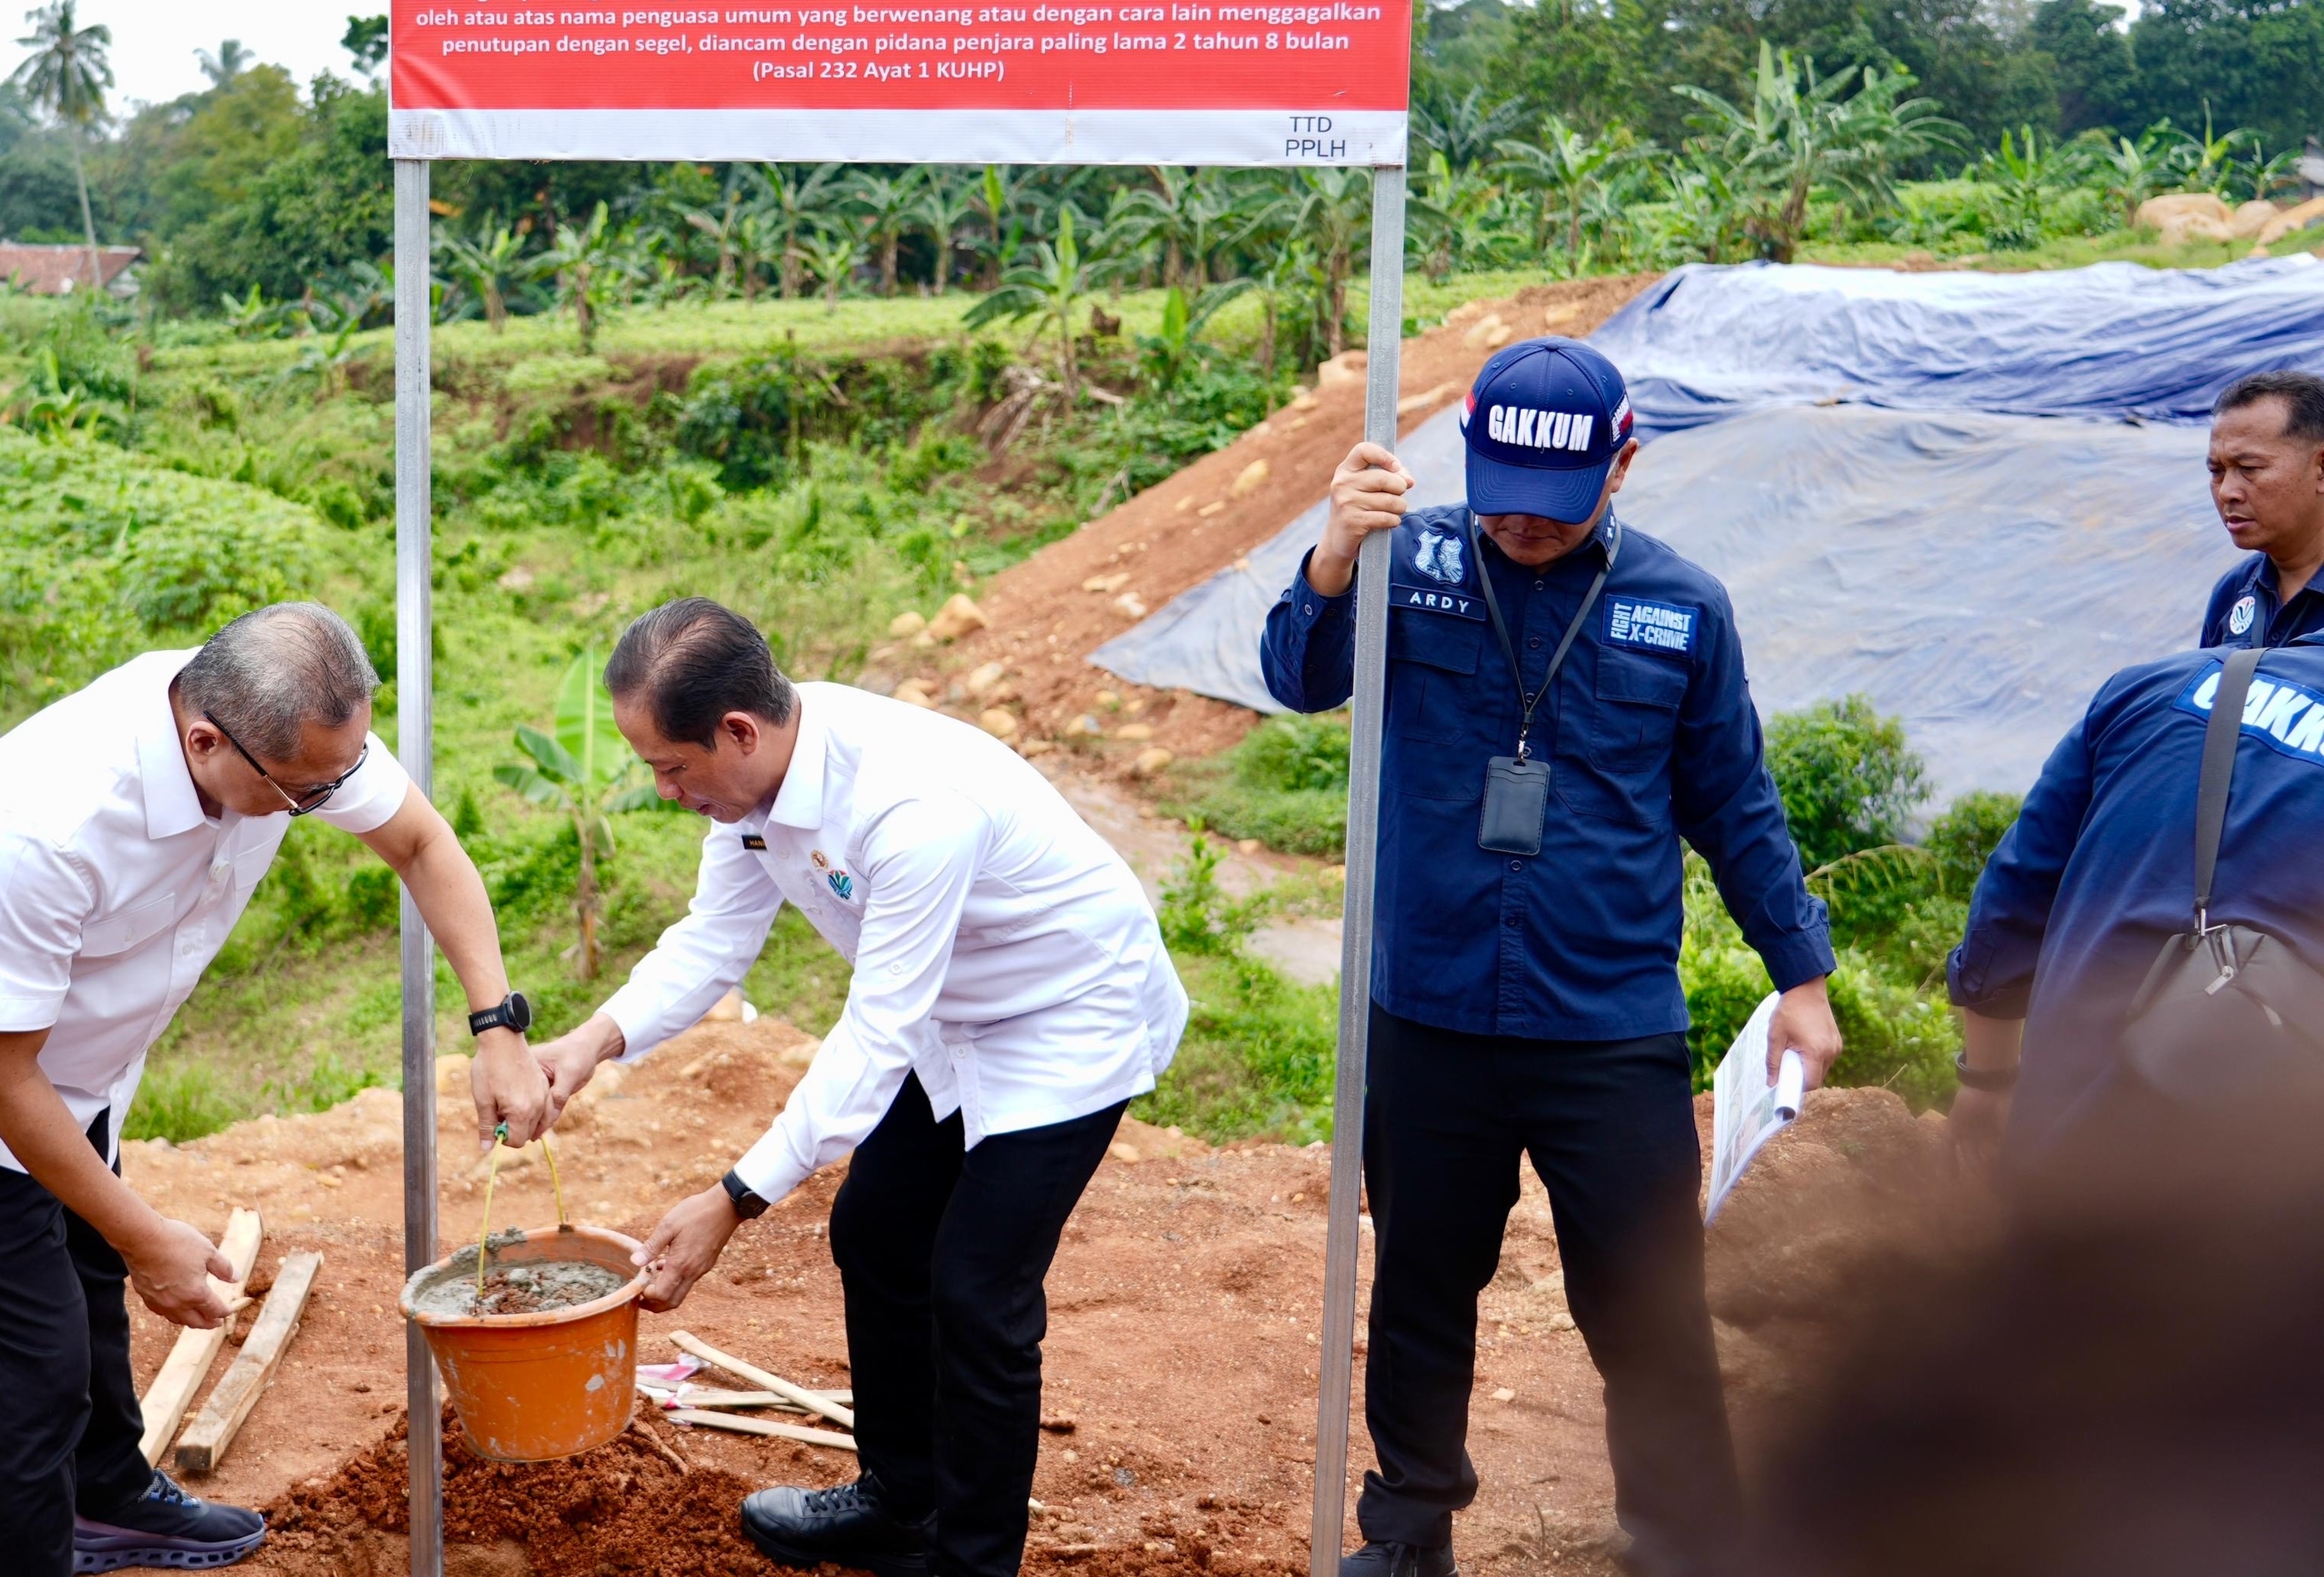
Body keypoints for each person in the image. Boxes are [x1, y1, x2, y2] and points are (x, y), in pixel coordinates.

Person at [1257, 338, 1841, 1577]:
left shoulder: (1682, 607)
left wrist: (1802, 974)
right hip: (1429, 1004)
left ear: (1622, 466)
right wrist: (1331, 556)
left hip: (1609, 1018)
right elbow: (1295, 678)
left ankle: (1682, 1534)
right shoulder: (1405, 562)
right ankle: (1410, 1529)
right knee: (1420, 1286)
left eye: (1557, 500)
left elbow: (1734, 801)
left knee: (1643, 1303)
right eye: (1500, 487)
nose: (1522, 520)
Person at [0, 602, 552, 1577]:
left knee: (90, 1291)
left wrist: (497, 1026)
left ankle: (109, 1499)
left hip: (83, 1071)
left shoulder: (291, 732)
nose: (326, 804)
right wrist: (146, 1238)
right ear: (204, 740)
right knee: (39, 1369)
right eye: (304, 794)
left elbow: (422, 845)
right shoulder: (46, 824)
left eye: (338, 776)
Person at [531, 597, 1189, 1577]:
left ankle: (972, 1562)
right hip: (952, 1017)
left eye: (672, 768)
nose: (667, 792)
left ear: (737, 731)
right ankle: (901, 1501)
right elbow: (714, 939)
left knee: (977, 1288)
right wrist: (594, 1040)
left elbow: (875, 1031)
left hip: (1065, 1020)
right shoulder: (754, 790)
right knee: (876, 1227)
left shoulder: (910, 806)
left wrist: (733, 1198)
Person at [1944, 638, 2324, 1181]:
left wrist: (1987, 1081)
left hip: (2062, 1155)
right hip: (2261, 1210)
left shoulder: (2150, 687)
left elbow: (2011, 896)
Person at [2199, 370, 2324, 650]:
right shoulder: (2233, 591)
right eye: (2217, 471)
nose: (2226, 492)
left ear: (2322, 468)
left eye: (2249, 469)